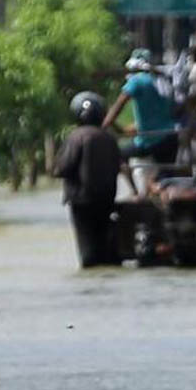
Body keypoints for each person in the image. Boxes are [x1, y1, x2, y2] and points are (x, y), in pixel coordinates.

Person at [53, 92, 123, 268]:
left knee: (88, 254)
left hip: (81, 202)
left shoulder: (75, 137)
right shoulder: (109, 138)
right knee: (104, 250)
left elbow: (61, 169)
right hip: (106, 201)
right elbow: (118, 167)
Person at [101, 48, 180, 195]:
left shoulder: (137, 81)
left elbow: (117, 107)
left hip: (150, 140)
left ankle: (135, 192)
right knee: (164, 178)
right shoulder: (162, 79)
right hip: (170, 138)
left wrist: (104, 126)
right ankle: (157, 190)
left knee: (117, 155)